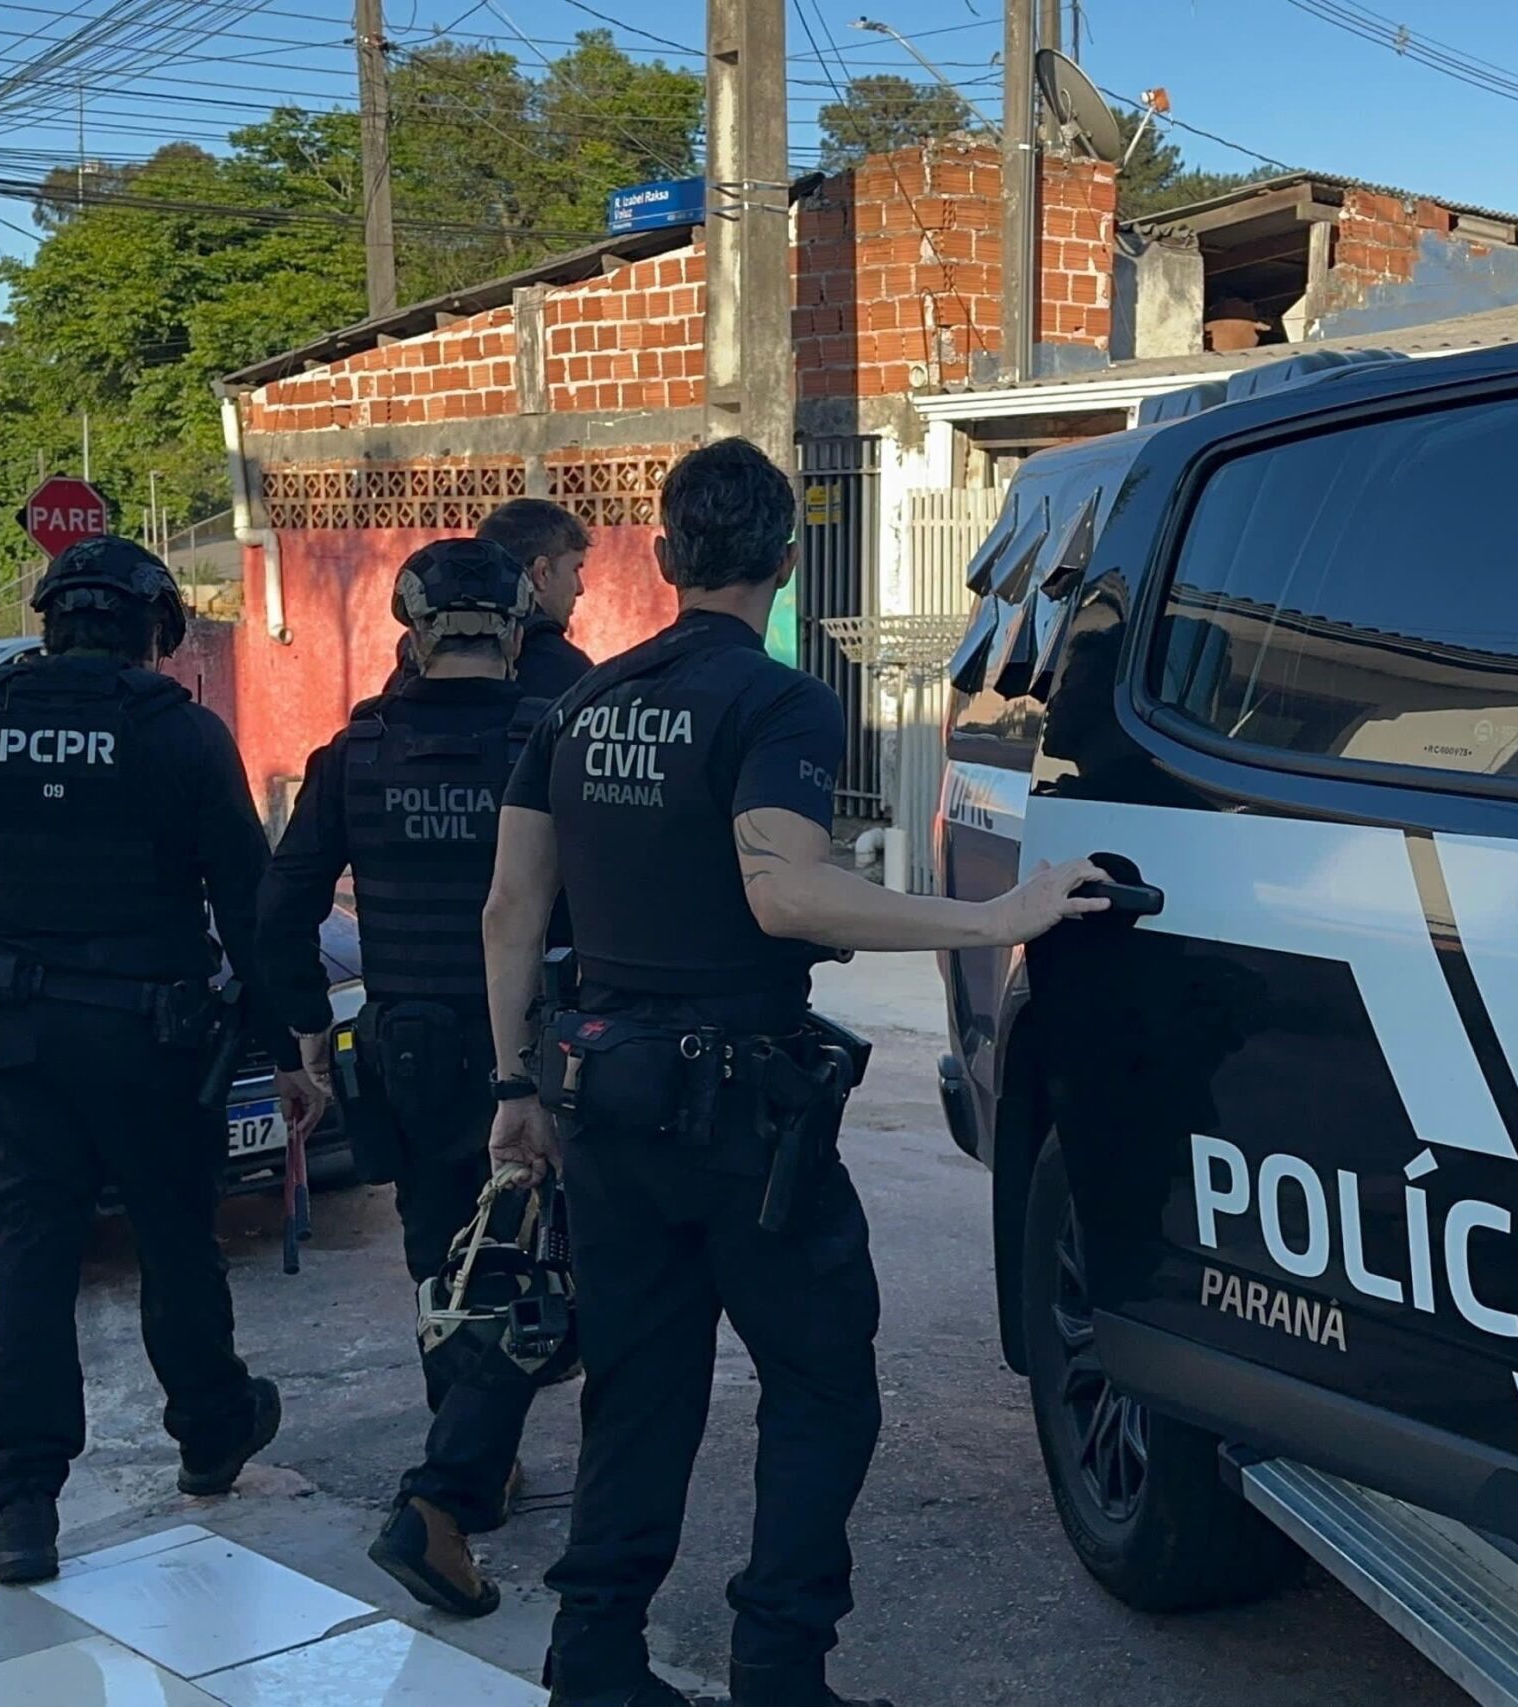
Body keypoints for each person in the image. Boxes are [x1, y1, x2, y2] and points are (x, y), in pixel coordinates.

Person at [481, 437, 1110, 1707]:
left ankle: (593, 1660)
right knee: (822, 1389)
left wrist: (512, 1094)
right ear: (780, 558)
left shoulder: (578, 706)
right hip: (742, 1110)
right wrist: (999, 917)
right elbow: (787, 894)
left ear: (666, 556)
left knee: (638, 1392)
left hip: (600, 1095)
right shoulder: (777, 703)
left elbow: (508, 910)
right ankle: (776, 1669)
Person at [0, 537, 319, 1586]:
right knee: (177, 1241)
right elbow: (247, 909)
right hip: (155, 1043)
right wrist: (285, 1041)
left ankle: (23, 1506)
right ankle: (211, 1432)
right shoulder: (181, 734)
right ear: (153, 628)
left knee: (27, 1264)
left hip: (22, 1040)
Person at [257, 536, 578, 1619]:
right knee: (542, 1265)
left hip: (406, 1050)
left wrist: (309, 1031)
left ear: (413, 632)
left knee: (445, 1262)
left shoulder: (357, 752)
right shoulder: (548, 739)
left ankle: (472, 1468)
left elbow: (280, 909)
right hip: (532, 1050)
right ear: (517, 630)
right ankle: (456, 1485)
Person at [385, 499, 595, 697]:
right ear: (543, 572)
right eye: (575, 569)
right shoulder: (567, 672)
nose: (580, 589)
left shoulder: (410, 664)